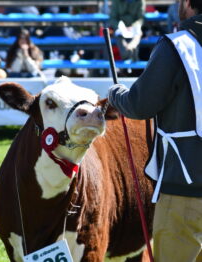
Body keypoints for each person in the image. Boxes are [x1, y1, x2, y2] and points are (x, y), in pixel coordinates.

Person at [108, 0, 202, 261]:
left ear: (186, 3)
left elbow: (140, 105)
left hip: (186, 184)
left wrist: (116, 94)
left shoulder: (177, 45)